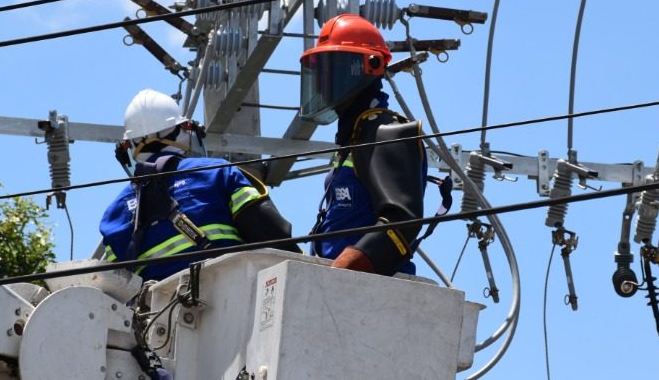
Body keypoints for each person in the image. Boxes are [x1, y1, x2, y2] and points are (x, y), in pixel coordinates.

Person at [100, 89, 299, 281]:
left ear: (129, 148)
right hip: (231, 299)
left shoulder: (115, 213)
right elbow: (273, 236)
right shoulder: (218, 173)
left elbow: (113, 288)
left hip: (157, 312)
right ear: (185, 131)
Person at [300, 14, 427, 276]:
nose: (323, 85)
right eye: (319, 72)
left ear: (366, 67)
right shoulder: (355, 138)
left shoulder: (386, 132)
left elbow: (403, 221)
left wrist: (342, 272)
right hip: (339, 288)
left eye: (331, 70)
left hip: (374, 292)